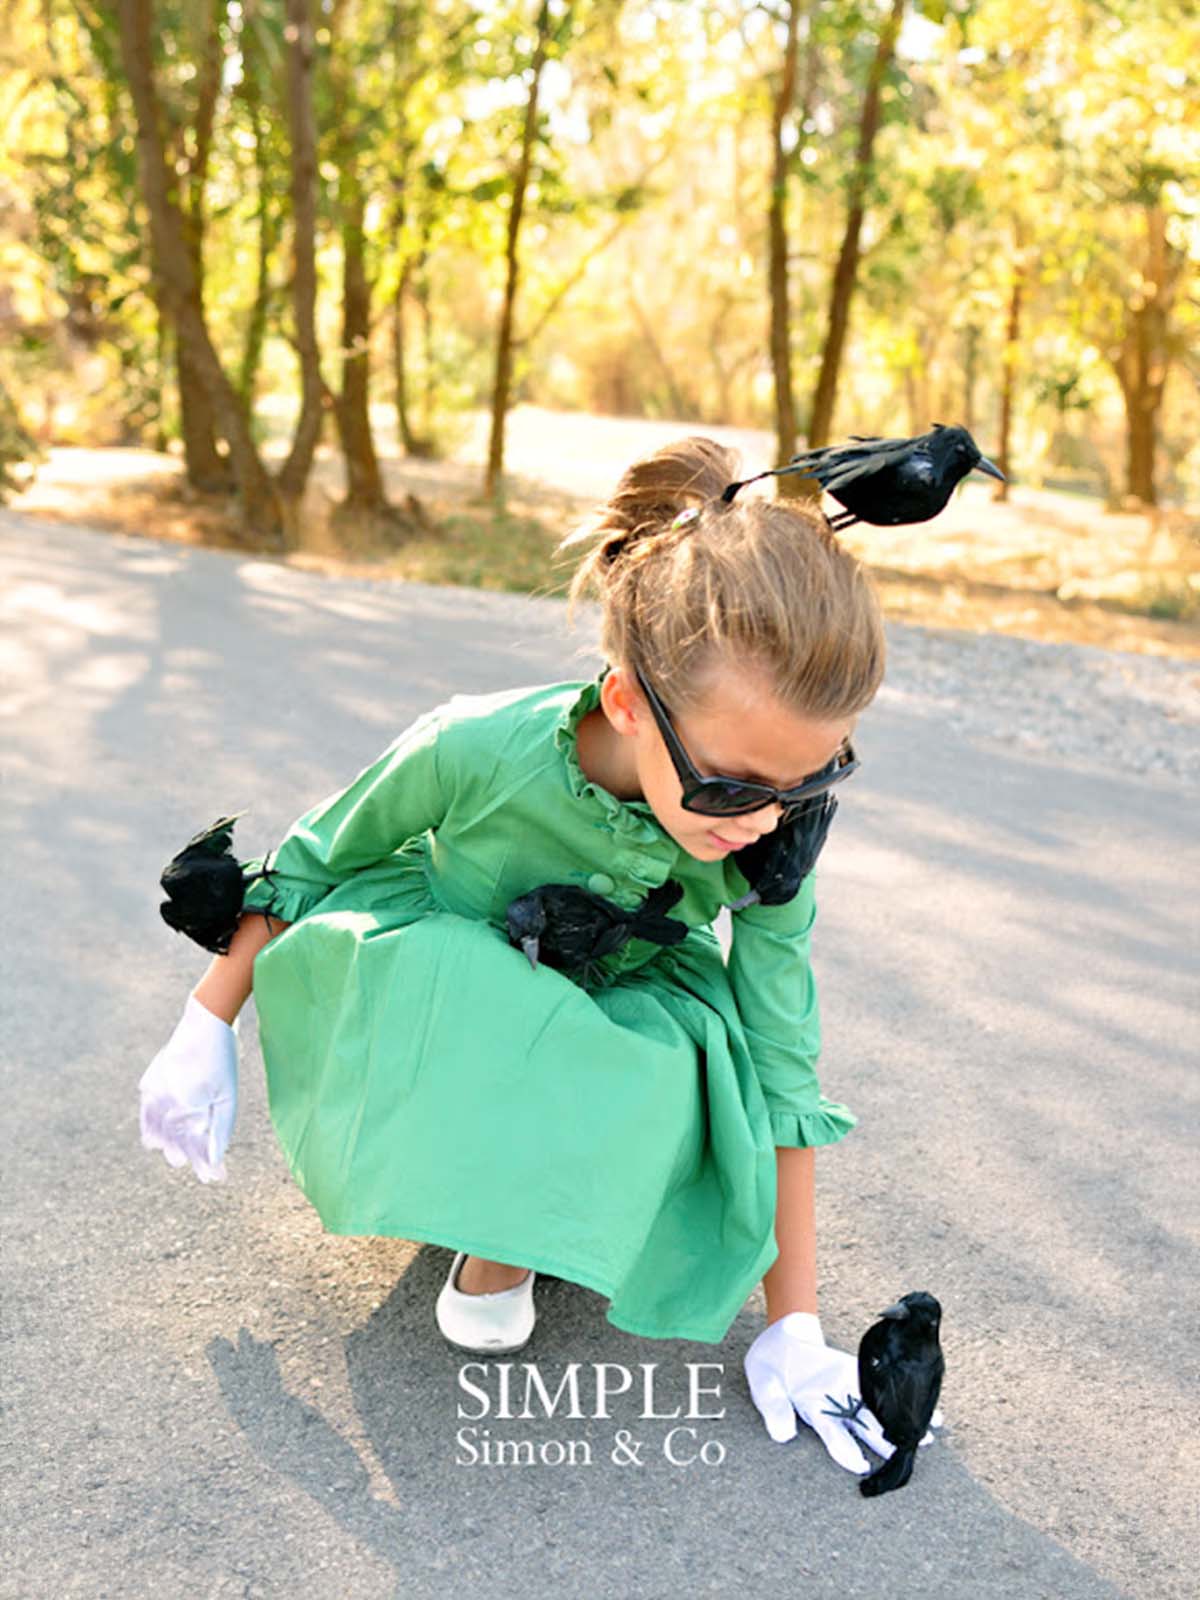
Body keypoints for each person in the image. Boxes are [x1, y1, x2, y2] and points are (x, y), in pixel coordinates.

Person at [140, 434, 921, 1477]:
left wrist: (797, 1324)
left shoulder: (767, 839)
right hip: (429, 994)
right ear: (629, 701)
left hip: (605, 1023)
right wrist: (205, 1022)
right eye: (736, 786)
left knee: (684, 1058)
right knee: (482, 990)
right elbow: (316, 858)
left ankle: (512, 1223)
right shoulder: (474, 745)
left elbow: (782, 1057)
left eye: (814, 783)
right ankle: (477, 1195)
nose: (768, 819)